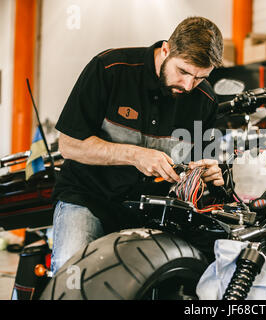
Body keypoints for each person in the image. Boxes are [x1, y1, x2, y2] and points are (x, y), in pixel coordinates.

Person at [50, 16, 225, 274]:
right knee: (72, 273)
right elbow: (69, 145)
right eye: (184, 71)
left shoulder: (205, 100)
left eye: (199, 78)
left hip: (154, 212)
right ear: (166, 50)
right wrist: (135, 155)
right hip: (89, 197)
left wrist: (211, 172)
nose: (188, 85)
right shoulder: (109, 69)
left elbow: (205, 168)